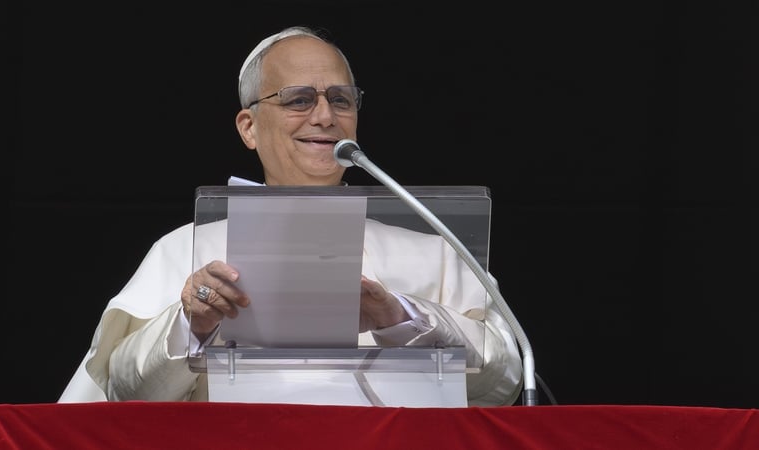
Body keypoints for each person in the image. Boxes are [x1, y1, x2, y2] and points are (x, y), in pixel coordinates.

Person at [59, 26, 523, 406]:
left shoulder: (434, 251)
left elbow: (504, 386)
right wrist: (191, 323)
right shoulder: (185, 249)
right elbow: (125, 392)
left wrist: (398, 316)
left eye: (341, 100)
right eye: (299, 99)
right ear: (249, 128)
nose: (325, 116)